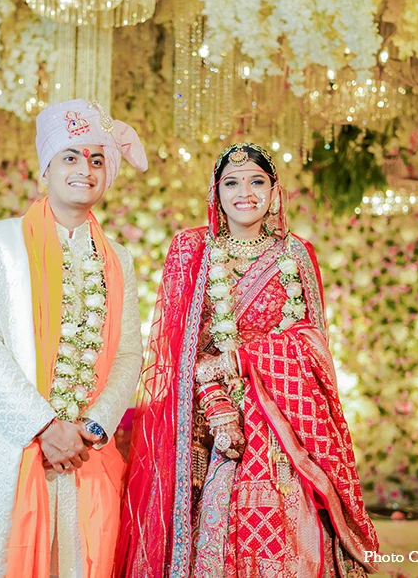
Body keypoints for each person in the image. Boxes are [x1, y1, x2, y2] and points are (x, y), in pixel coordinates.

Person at [116, 143, 379, 577]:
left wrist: (244, 359)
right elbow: (179, 349)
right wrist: (218, 406)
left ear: (274, 192)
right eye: (232, 183)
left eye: (257, 181)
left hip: (282, 416)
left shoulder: (295, 253)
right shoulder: (192, 250)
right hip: (209, 417)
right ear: (216, 192)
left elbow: (313, 343)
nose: (245, 193)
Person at [0, 99, 147, 578]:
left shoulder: (119, 260)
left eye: (97, 160)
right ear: (45, 168)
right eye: (70, 157)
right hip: (12, 448)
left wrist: (92, 427)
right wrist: (45, 426)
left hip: (84, 453)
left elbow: (129, 353)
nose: (84, 170)